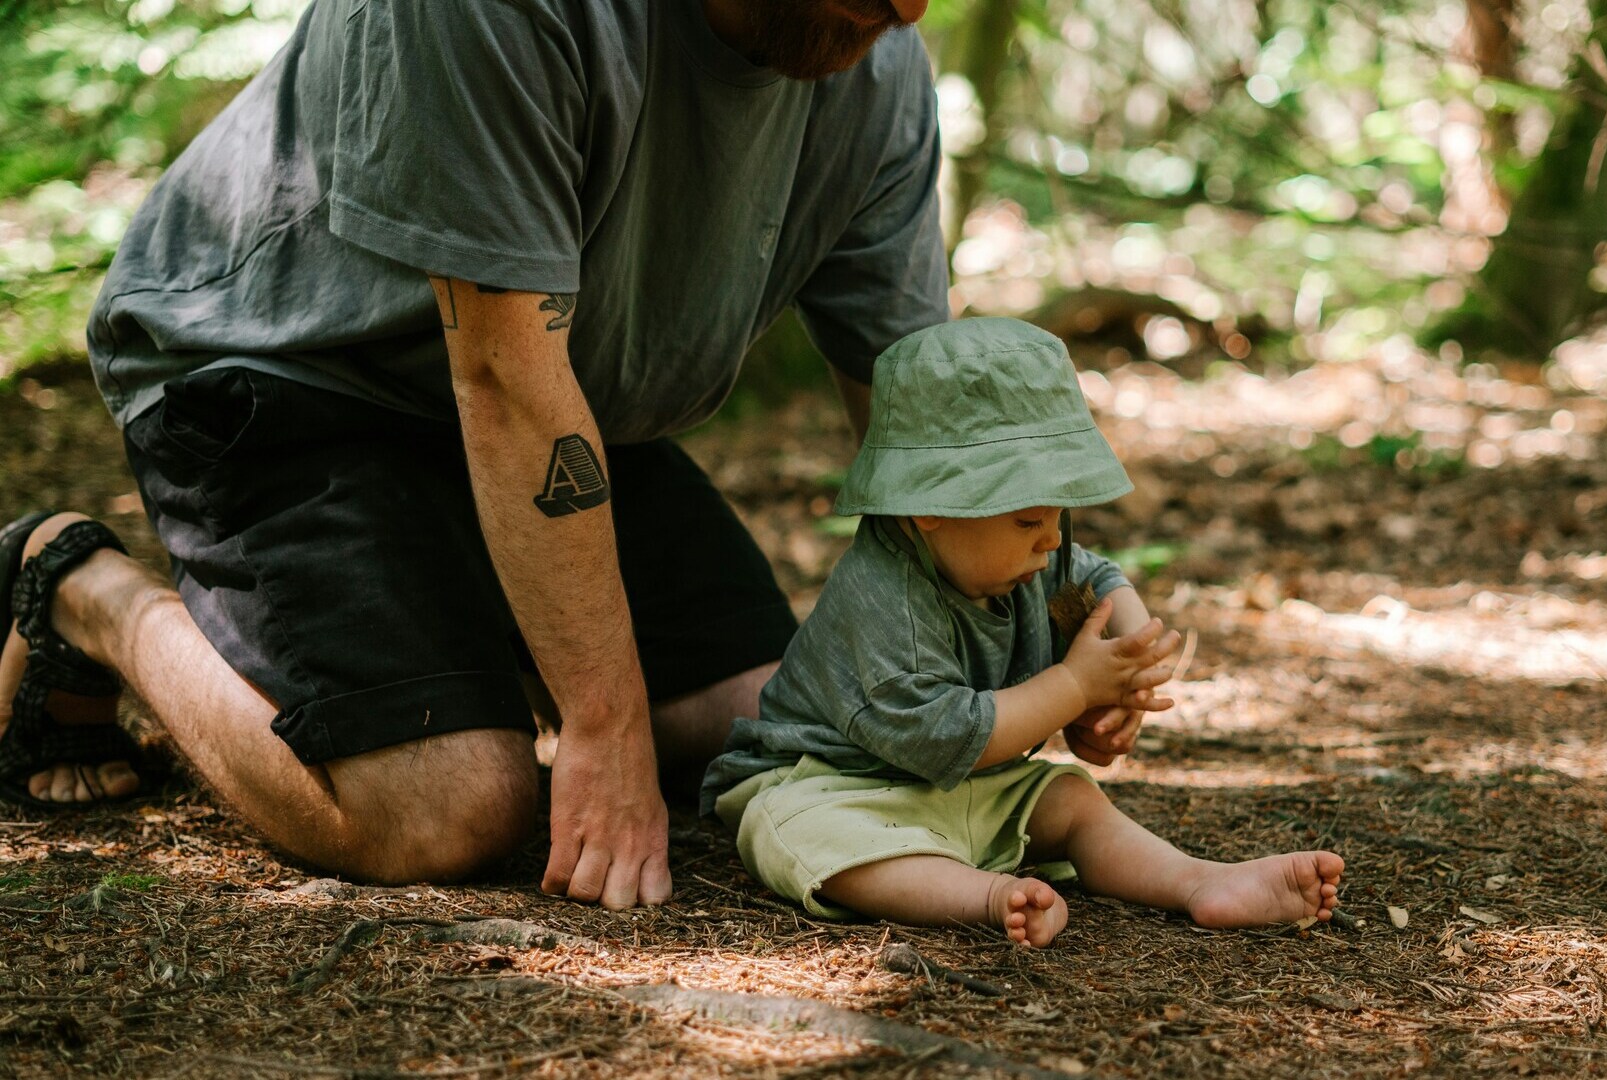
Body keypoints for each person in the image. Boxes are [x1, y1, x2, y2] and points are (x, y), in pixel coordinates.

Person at [0, 0, 950, 909]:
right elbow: (500, 378)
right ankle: (84, 592)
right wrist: (603, 721)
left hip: (557, 401)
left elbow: (915, 408)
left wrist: (1001, 655)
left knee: (771, 717)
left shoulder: (881, 67)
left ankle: (465, 648)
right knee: (442, 804)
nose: (908, 11)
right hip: (291, 366)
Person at [700, 318, 1344, 945]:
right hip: (832, 783)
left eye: (1058, 514)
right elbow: (949, 735)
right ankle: (983, 898)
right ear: (928, 507)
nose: (1052, 539)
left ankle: (1198, 882)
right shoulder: (882, 601)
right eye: (1030, 519)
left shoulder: (1025, 557)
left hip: (964, 787)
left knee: (1070, 800)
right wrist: (1074, 687)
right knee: (811, 836)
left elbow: (1095, 579)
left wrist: (1126, 667)